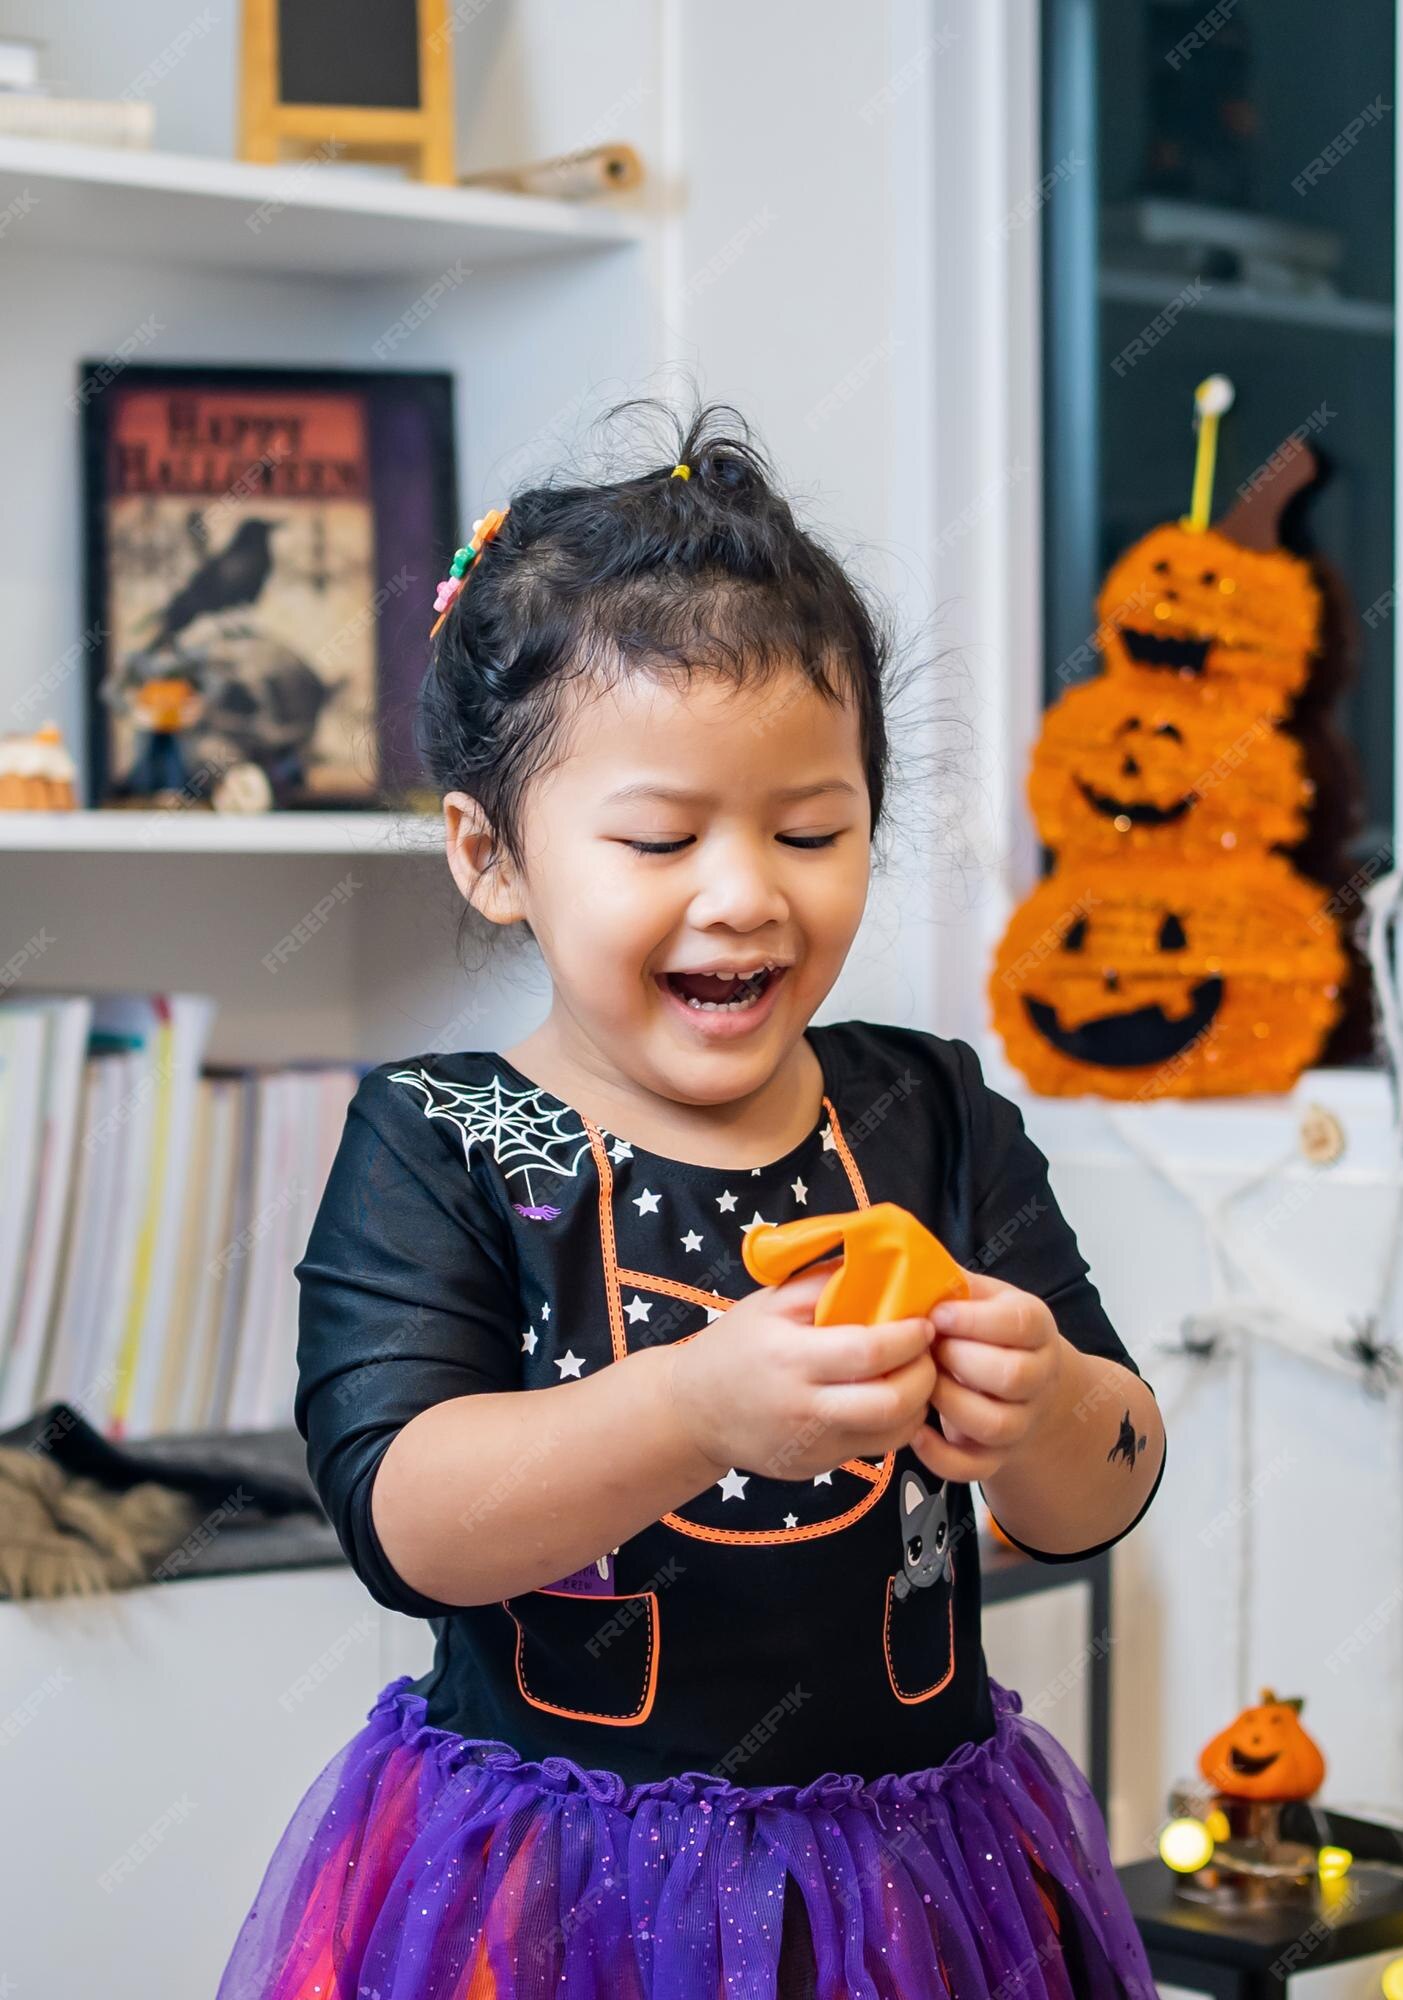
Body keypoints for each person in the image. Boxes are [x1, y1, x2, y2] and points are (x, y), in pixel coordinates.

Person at [215, 403, 1167, 2000]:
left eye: (814, 828)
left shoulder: (925, 1108)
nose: (747, 891)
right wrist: (699, 1410)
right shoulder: (440, 1137)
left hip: (921, 1887)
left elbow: (1101, 1491)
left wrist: (1046, 1401)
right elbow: (407, 1520)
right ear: (491, 853)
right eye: (660, 837)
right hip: (561, 1897)